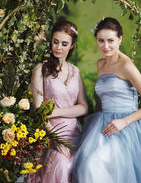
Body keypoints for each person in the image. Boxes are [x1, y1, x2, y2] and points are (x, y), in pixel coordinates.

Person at [72, 17, 141, 183]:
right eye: (101, 41)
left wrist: (123, 122)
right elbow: (104, 96)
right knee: (87, 166)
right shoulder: (100, 63)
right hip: (103, 123)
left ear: (120, 39)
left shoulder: (126, 66)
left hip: (126, 125)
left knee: (115, 170)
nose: (105, 46)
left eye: (110, 41)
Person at [26, 19, 88, 183]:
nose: (59, 48)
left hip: (74, 134)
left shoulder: (75, 70)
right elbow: (39, 112)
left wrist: (56, 111)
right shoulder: (41, 69)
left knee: (86, 164)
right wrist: (57, 140)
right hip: (50, 133)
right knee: (62, 164)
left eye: (64, 43)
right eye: (55, 42)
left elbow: (83, 107)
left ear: (72, 45)